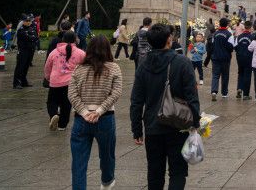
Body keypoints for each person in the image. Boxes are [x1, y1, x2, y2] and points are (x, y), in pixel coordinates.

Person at [130, 24, 200, 190]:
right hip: (178, 125)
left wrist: (137, 129)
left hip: (153, 126)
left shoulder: (143, 66)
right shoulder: (183, 62)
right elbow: (192, 96)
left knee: (154, 172)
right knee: (178, 172)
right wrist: (195, 121)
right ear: (169, 40)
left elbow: (136, 101)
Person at [68, 35, 122, 190]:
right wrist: (99, 111)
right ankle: (107, 181)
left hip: (80, 120)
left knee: (78, 163)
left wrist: (84, 112)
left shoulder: (79, 69)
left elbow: (71, 94)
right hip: (105, 118)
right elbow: (116, 93)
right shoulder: (113, 68)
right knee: (107, 156)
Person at [44, 30, 85, 131]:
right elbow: (86, 67)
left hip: (55, 81)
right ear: (75, 40)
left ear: (63, 39)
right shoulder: (81, 53)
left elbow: (47, 67)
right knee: (66, 104)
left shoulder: (54, 52)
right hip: (70, 82)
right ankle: (62, 125)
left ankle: (53, 114)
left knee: (52, 101)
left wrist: (48, 78)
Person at [210, 17, 234, 101]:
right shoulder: (229, 34)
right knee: (225, 75)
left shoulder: (215, 34)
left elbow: (212, 45)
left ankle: (214, 91)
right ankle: (224, 93)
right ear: (227, 25)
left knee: (215, 75)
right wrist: (225, 44)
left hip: (216, 57)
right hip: (225, 58)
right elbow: (231, 47)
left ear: (219, 24)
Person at [13, 14, 38, 88]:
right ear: (23, 21)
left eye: (29, 21)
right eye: (26, 21)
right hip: (23, 51)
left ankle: (23, 81)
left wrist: (32, 37)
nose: (28, 22)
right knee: (20, 67)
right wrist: (32, 37)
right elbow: (29, 38)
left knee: (26, 67)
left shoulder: (32, 29)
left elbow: (36, 37)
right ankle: (16, 83)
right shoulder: (21, 30)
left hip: (30, 50)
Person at [232, 21, 254, 100]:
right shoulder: (252, 37)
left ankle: (239, 88)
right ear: (251, 27)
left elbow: (235, 47)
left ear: (244, 27)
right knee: (247, 75)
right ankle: (246, 94)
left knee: (240, 73)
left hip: (239, 57)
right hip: (248, 58)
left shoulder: (239, 36)